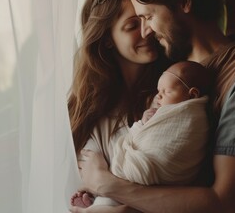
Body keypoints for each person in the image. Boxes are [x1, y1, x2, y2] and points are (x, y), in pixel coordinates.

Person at [71, 0, 235, 212]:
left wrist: (108, 185)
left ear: (184, 3)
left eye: (148, 16)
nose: (146, 31)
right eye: (136, 21)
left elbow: (228, 203)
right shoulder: (169, 73)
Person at [67, 0, 172, 212]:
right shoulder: (88, 111)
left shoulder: (170, 94)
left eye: (147, 19)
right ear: (107, 40)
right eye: (132, 25)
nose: (147, 31)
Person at [71, 61, 212, 209]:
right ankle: (98, 200)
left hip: (160, 171)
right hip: (142, 172)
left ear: (193, 94)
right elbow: (145, 134)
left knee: (119, 185)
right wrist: (142, 123)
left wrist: (141, 126)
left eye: (167, 92)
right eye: (159, 91)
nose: (159, 97)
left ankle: (99, 202)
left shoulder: (191, 116)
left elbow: (178, 141)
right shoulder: (158, 108)